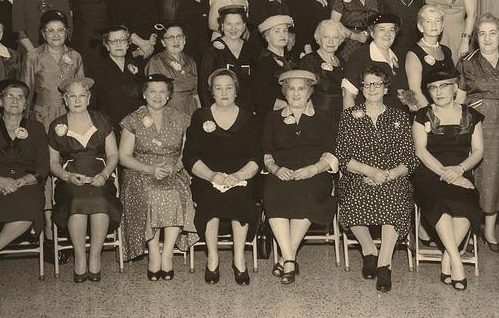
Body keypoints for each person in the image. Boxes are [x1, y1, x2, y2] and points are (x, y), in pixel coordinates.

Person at [335, 66, 418, 292]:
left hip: (393, 176)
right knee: (352, 198)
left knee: (394, 197)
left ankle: (384, 263)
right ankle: (368, 249)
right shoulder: (349, 117)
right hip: (359, 175)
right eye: (367, 84)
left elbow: (410, 159)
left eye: (377, 84)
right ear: (361, 88)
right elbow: (343, 157)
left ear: (386, 88)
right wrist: (369, 172)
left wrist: (388, 175)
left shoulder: (399, 116)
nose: (372, 88)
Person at [0, 79, 50, 294]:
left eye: (20, 97)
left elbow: (42, 169)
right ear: (0, 101)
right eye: (9, 96)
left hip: (25, 185)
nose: (14, 100)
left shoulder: (37, 128)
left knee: (27, 209)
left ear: (26, 104)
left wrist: (18, 182)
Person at [183, 69, 260, 285]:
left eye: (229, 87)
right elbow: (190, 156)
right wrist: (211, 176)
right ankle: (213, 259)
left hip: (240, 175)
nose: (224, 92)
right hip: (208, 176)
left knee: (242, 196)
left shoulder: (249, 118)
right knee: (210, 198)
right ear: (212, 93)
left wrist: (238, 176)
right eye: (218, 88)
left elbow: (256, 157)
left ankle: (238, 259)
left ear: (236, 91)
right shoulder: (200, 116)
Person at [262, 70, 338, 285]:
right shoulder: (273, 118)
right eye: (291, 88)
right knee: (273, 192)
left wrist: (313, 169)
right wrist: (276, 169)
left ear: (309, 92)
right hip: (282, 172)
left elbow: (331, 152)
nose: (296, 93)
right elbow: (266, 153)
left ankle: (286, 259)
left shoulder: (323, 117)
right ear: (285, 92)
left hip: (314, 172)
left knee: (306, 193)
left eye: (301, 88)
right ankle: (289, 259)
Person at [119, 74, 198, 280]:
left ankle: (168, 254)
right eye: (153, 91)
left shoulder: (181, 118)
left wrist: (175, 167)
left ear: (169, 95)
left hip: (173, 170)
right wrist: (150, 169)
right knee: (151, 193)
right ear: (144, 94)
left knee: (174, 192)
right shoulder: (133, 119)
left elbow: (187, 153)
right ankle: (154, 253)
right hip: (140, 172)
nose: (158, 96)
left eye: (163, 91)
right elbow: (124, 157)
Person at [412, 69, 484, 290]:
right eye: (433, 88)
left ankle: (447, 259)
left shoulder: (471, 115)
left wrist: (460, 170)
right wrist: (447, 174)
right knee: (438, 200)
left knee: (466, 201)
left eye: (444, 86)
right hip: (431, 172)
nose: (438, 91)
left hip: (461, 172)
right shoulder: (422, 115)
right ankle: (456, 260)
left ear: (455, 88)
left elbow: (478, 151)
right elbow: (421, 152)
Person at [21, 10, 84, 258]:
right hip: (42, 116)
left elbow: (81, 91)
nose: (55, 35)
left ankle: (68, 223)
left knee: (69, 167)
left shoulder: (75, 56)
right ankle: (48, 231)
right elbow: (25, 92)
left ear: (67, 32)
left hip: (70, 117)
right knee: (47, 170)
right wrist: (24, 126)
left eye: (60, 30)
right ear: (42, 33)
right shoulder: (33, 56)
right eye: (50, 30)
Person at [48, 77, 121, 282]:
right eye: (72, 96)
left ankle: (95, 256)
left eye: (82, 96)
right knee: (76, 199)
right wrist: (67, 176)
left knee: (100, 198)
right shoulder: (57, 125)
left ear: (88, 99)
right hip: (70, 178)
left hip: (99, 174)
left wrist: (105, 174)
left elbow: (113, 155)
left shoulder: (101, 120)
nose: (77, 100)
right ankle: (80, 256)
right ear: (65, 99)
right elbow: (52, 162)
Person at [457, 13, 499, 253]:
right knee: (475, 177)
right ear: (476, 38)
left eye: (492, 33)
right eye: (482, 33)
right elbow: (459, 100)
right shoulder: (466, 62)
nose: (487, 38)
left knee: (496, 178)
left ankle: (489, 232)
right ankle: (468, 231)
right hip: (476, 127)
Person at [342, 13, 405, 111]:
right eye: (382, 29)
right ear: (372, 33)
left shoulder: (399, 58)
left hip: (396, 119)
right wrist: (353, 124)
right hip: (367, 120)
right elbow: (348, 96)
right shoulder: (359, 57)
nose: (387, 34)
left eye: (391, 30)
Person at [199, 5, 257, 113]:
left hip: (247, 112)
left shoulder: (252, 50)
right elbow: (204, 87)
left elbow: (257, 86)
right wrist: (210, 114)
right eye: (228, 24)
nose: (233, 29)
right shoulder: (212, 51)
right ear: (222, 25)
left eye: (238, 24)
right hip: (220, 111)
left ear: (244, 26)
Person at [297, 19, 350, 133]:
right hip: (318, 118)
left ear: (340, 40)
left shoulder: (343, 62)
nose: (331, 41)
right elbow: (302, 93)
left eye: (335, 37)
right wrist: (311, 119)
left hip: (341, 117)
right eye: (326, 37)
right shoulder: (309, 61)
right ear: (318, 39)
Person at [92, 24, 145, 136]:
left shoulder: (136, 65)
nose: (119, 44)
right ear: (106, 45)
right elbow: (93, 104)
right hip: (109, 127)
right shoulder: (97, 69)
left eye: (122, 40)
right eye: (113, 41)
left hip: (136, 126)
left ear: (128, 44)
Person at [405, 5, 456, 110]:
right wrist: (433, 116)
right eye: (428, 21)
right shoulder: (414, 54)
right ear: (420, 27)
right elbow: (415, 91)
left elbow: (453, 83)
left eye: (437, 21)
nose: (434, 25)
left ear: (442, 26)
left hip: (448, 108)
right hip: (428, 112)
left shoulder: (446, 51)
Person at [145, 23, 199, 117]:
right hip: (168, 114)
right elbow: (153, 96)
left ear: (184, 40)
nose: (176, 41)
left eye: (179, 36)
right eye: (170, 38)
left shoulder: (190, 61)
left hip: (191, 112)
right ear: (163, 42)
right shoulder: (156, 62)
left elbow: (196, 94)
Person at [251, 15, 294, 126]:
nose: (282, 34)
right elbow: (259, 96)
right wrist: (288, 106)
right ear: (267, 37)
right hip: (271, 119)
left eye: (285, 30)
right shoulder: (264, 62)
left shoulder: (287, 60)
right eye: (277, 31)